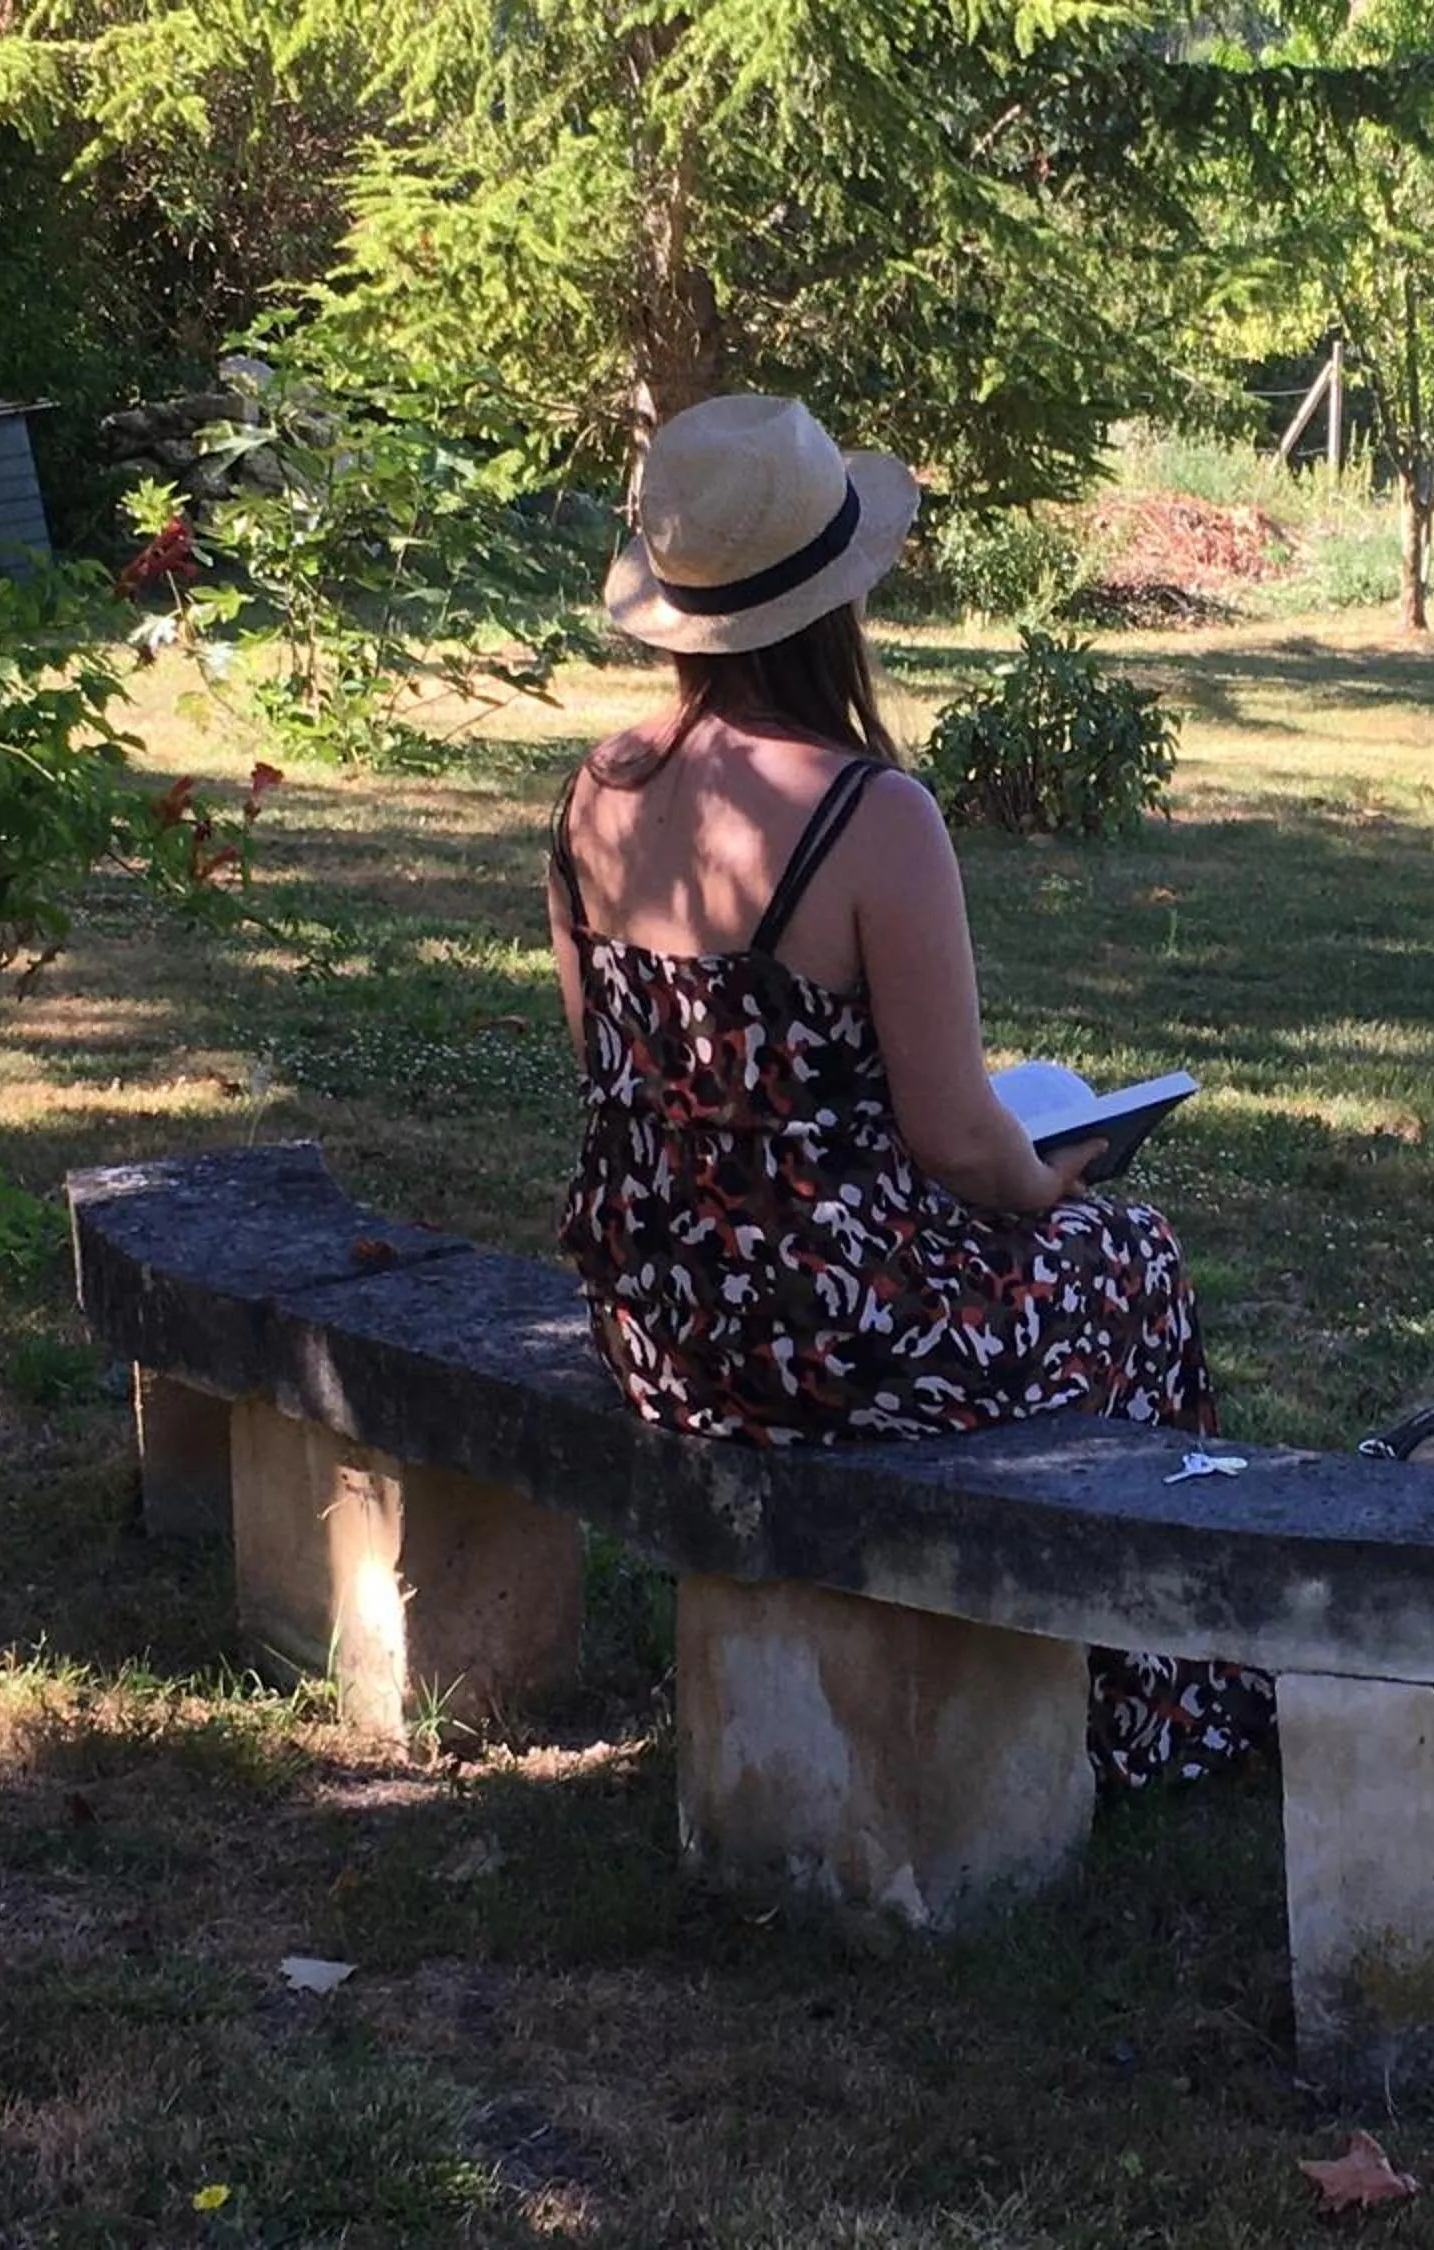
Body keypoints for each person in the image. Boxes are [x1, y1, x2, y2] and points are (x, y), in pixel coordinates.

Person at [546, 394, 1269, 1787]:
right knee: (1132, 1261)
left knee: (1072, 1263)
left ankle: (1103, 1687)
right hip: (833, 1338)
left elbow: (618, 1076)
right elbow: (955, 1139)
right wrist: (1051, 1178)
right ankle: (1154, 1713)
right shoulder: (868, 815)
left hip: (657, 1323)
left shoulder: (593, 790)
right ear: (836, 605)